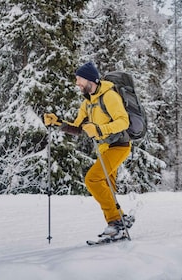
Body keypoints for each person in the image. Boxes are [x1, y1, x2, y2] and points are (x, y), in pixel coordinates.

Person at [43, 61, 134, 239]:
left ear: (90, 79)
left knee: (92, 179)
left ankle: (117, 221)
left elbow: (124, 122)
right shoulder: (87, 103)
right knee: (106, 188)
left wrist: (100, 130)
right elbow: (78, 128)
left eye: (79, 79)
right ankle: (118, 224)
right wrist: (57, 122)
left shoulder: (109, 96)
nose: (77, 83)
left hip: (118, 146)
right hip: (104, 148)